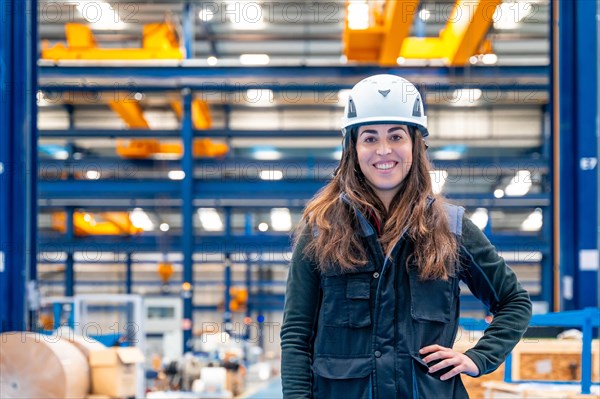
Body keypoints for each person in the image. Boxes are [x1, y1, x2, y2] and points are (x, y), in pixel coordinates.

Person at [280, 74, 532, 399]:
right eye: (369, 138)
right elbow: (297, 335)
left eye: (396, 136)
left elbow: (514, 301)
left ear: (416, 143)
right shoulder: (322, 230)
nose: (383, 150)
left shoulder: (451, 229)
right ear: (352, 148)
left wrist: (477, 358)